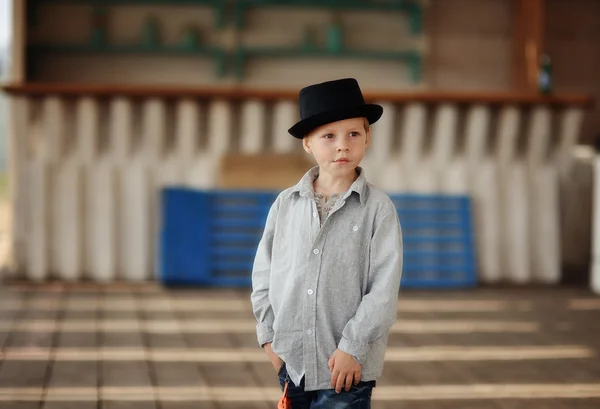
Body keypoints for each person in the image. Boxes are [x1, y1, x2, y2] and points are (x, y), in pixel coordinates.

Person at [250, 77, 403, 408]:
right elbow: (264, 275)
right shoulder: (285, 205)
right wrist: (270, 341)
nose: (342, 145)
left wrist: (352, 347)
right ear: (308, 142)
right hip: (292, 363)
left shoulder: (378, 209)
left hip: (347, 370)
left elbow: (383, 290)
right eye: (329, 136)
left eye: (353, 134)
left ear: (367, 137)